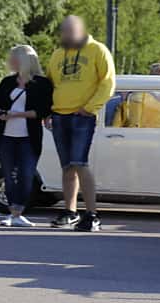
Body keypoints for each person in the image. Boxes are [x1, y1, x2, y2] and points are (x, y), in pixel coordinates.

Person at [44, 14, 117, 231]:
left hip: (82, 116)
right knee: (67, 166)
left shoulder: (97, 50)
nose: (67, 34)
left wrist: (89, 108)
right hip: (59, 115)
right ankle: (70, 211)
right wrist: (47, 111)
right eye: (64, 31)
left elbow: (108, 82)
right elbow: (49, 84)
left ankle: (92, 214)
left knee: (80, 163)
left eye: (71, 30)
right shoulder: (58, 54)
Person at [0, 45, 52, 227]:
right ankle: (13, 213)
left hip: (29, 137)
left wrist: (16, 114)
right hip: (5, 136)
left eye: (13, 58)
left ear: (23, 60)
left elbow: (42, 111)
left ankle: (19, 211)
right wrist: (0, 113)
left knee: (26, 174)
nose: (10, 61)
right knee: (9, 175)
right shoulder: (7, 82)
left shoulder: (42, 83)